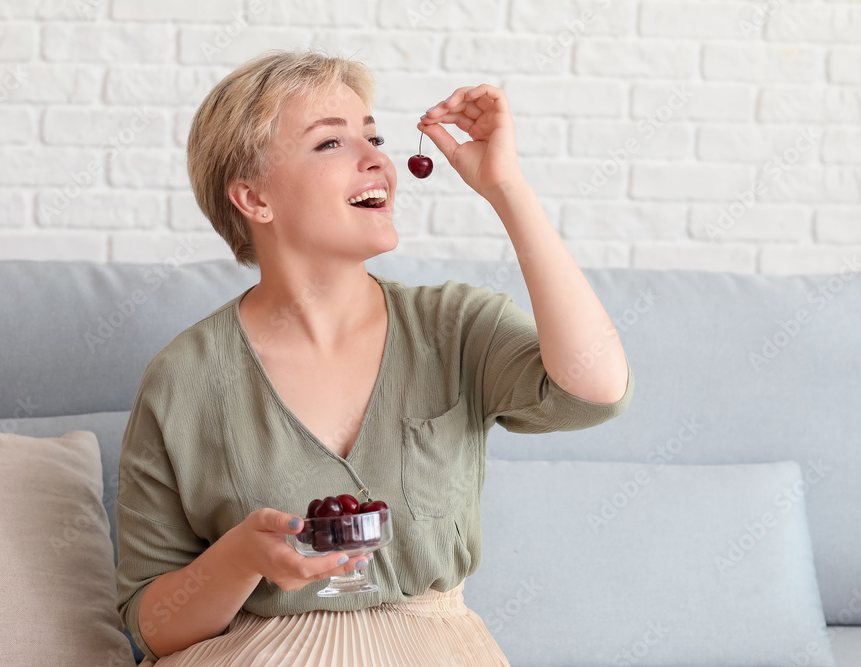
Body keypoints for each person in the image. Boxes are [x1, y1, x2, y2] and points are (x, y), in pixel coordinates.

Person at [114, 49, 635, 666]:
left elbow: (593, 390)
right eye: (330, 144)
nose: (378, 161)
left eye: (374, 136)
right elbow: (152, 626)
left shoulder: (455, 326)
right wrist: (241, 557)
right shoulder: (183, 379)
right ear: (253, 199)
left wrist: (507, 189)